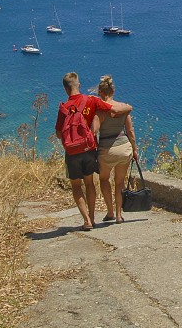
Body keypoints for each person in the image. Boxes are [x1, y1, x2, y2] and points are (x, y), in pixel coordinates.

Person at [55, 72, 129, 231]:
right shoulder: (90, 100)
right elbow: (113, 108)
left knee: (76, 186)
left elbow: (59, 133)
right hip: (88, 149)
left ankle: (87, 220)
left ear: (66, 89)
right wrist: (129, 107)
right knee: (89, 183)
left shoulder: (63, 108)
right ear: (78, 85)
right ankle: (93, 217)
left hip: (72, 152)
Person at [94, 74, 137, 223]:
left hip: (106, 149)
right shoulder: (123, 108)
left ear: (100, 92)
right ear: (113, 91)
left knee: (104, 179)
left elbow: (94, 130)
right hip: (124, 147)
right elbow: (130, 131)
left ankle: (110, 212)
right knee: (119, 182)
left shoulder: (100, 111)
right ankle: (119, 215)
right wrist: (135, 150)